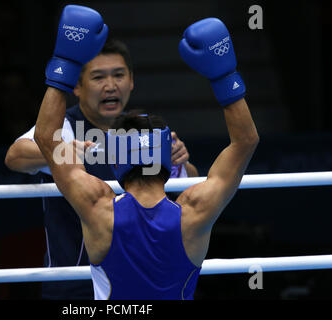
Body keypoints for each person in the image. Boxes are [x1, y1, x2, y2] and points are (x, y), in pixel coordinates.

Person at [34, 6, 258, 299]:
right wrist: (225, 76)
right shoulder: (194, 211)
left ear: (115, 159)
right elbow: (245, 141)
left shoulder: (98, 207)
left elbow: (46, 139)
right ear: (167, 157)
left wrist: (64, 65)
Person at [4, 7, 198, 299]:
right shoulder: (64, 127)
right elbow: (15, 156)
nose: (110, 85)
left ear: (131, 81)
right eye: (98, 77)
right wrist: (60, 152)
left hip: (135, 283)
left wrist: (181, 160)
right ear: (78, 87)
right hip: (72, 283)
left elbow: (187, 186)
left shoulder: (142, 131)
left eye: (118, 75)